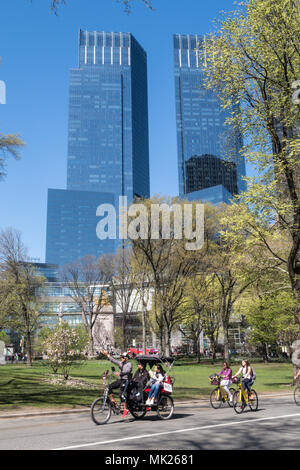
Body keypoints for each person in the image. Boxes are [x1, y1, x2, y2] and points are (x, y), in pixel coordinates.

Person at [102, 350, 132, 418]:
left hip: (126, 380)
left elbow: (128, 371)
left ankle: (125, 409)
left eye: (123, 357)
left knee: (121, 395)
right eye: (121, 357)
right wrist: (107, 354)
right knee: (109, 387)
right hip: (120, 380)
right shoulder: (121, 363)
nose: (121, 358)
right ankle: (113, 400)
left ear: (126, 358)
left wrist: (120, 373)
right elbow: (113, 360)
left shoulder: (129, 364)